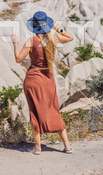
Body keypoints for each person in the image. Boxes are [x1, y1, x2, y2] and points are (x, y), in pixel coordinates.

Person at [11, 11, 74, 155]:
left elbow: (18, 59)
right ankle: (67, 146)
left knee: (35, 111)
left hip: (33, 79)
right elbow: (70, 38)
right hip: (48, 78)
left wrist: (15, 43)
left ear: (34, 26)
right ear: (47, 25)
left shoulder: (31, 41)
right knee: (53, 109)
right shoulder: (54, 39)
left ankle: (38, 147)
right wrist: (58, 29)